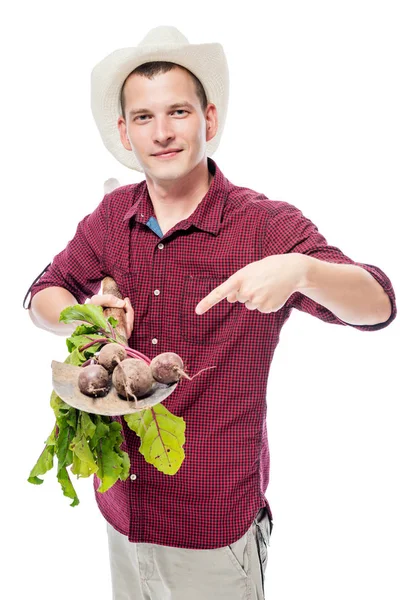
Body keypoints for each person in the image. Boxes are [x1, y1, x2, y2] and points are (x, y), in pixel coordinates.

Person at [25, 25, 397, 600]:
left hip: (213, 535)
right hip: (122, 516)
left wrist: (302, 271)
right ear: (124, 132)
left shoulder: (264, 226)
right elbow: (42, 292)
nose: (164, 132)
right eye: (144, 118)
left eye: (178, 111)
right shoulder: (109, 218)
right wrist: (82, 314)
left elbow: (378, 304)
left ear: (210, 120)